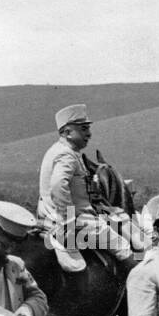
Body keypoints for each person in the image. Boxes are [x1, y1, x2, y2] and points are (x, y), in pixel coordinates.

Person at [37, 104, 138, 268]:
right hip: (76, 221)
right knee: (122, 247)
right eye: (83, 129)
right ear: (67, 132)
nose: (89, 134)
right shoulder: (66, 154)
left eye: (88, 129)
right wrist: (69, 221)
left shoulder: (59, 150)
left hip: (49, 216)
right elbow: (58, 186)